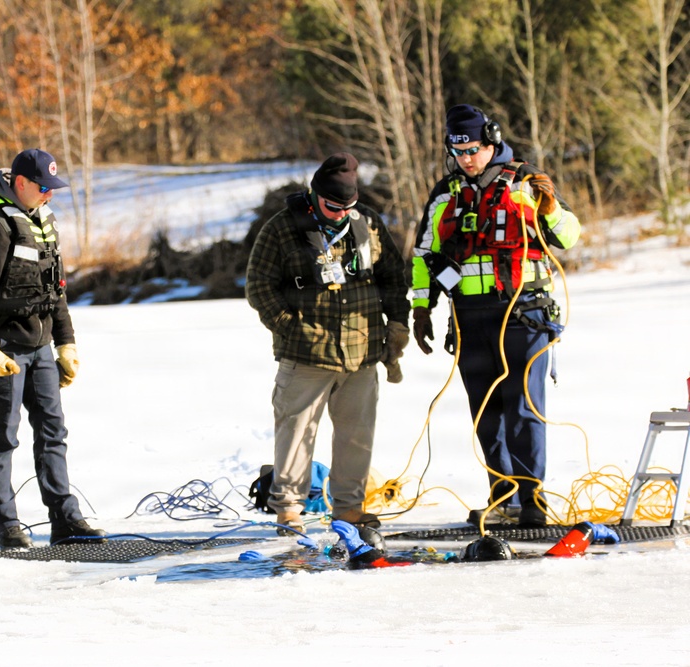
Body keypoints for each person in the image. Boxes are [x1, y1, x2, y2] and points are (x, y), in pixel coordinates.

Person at [410, 105, 581, 528]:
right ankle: (501, 494)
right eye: (458, 150)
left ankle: (532, 499)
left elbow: (568, 237)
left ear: (492, 141)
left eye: (473, 149)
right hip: (470, 317)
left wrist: (551, 206)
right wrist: (420, 307)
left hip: (526, 316)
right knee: (485, 411)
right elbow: (424, 255)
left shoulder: (527, 182)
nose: (466, 158)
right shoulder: (445, 193)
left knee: (523, 407)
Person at [245, 153, 410, 535]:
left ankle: (350, 508)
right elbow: (258, 287)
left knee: (357, 435)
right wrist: (290, 327)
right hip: (305, 354)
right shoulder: (281, 228)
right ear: (314, 194)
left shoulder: (366, 222)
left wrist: (398, 322)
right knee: (296, 431)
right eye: (332, 207)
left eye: (347, 207)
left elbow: (392, 277)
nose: (340, 214)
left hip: (363, 351)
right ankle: (288, 510)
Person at [0, 148, 106, 548]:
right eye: (43, 188)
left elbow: (55, 290)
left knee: (53, 430)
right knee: (5, 434)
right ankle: (5, 524)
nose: (49, 195)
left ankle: (65, 518)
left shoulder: (42, 219)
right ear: (20, 183)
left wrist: (66, 342)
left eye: (52, 188)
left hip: (39, 346)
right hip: (3, 348)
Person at [330, 519, 620, 569]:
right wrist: (587, 531)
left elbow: (390, 564)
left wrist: (362, 554)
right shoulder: (529, 565)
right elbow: (562, 554)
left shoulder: (450, 568)